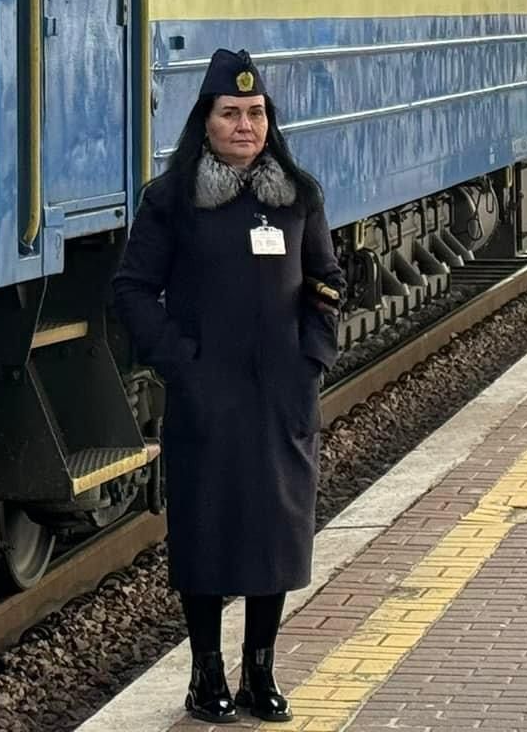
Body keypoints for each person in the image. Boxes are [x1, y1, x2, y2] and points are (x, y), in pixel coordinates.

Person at [111, 48, 344, 724]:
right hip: (206, 397)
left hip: (280, 396)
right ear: (205, 122)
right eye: (231, 114)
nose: (246, 126)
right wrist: (181, 361)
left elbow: (328, 280)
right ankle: (206, 674)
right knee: (207, 534)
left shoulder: (299, 195)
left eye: (255, 113)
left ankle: (260, 674)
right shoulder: (173, 200)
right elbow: (131, 290)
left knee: (277, 534)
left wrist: (312, 356)